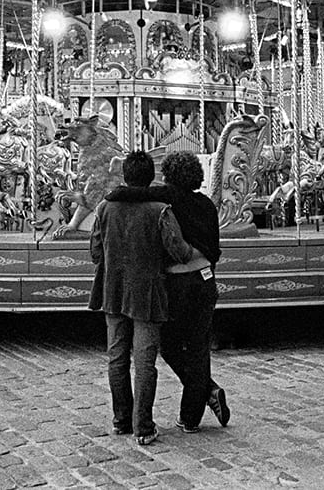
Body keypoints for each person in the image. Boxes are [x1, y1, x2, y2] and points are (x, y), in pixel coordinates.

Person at [105, 150, 231, 434]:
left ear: (169, 175)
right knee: (199, 347)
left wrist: (112, 195)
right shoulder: (207, 205)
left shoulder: (165, 198)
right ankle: (190, 418)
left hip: (177, 281)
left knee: (170, 346)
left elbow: (133, 194)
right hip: (205, 278)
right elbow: (215, 248)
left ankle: (208, 390)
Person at [89, 151, 194, 446]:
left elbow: (95, 252)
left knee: (117, 358)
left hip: (113, 290)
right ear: (151, 177)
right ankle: (143, 426)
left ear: (124, 175)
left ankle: (121, 419)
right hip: (147, 293)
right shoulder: (160, 210)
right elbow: (180, 251)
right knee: (145, 362)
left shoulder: (104, 208)